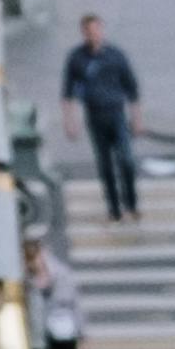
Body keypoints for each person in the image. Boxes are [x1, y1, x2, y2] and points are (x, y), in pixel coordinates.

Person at [58, 13, 141, 221]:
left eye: (96, 30)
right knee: (105, 166)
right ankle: (114, 209)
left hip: (117, 115)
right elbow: (67, 93)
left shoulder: (115, 55)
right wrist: (70, 122)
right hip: (95, 117)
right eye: (88, 31)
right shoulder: (77, 58)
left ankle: (131, 203)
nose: (93, 35)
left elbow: (132, 89)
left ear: (101, 30)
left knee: (127, 160)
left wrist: (137, 119)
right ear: (83, 33)